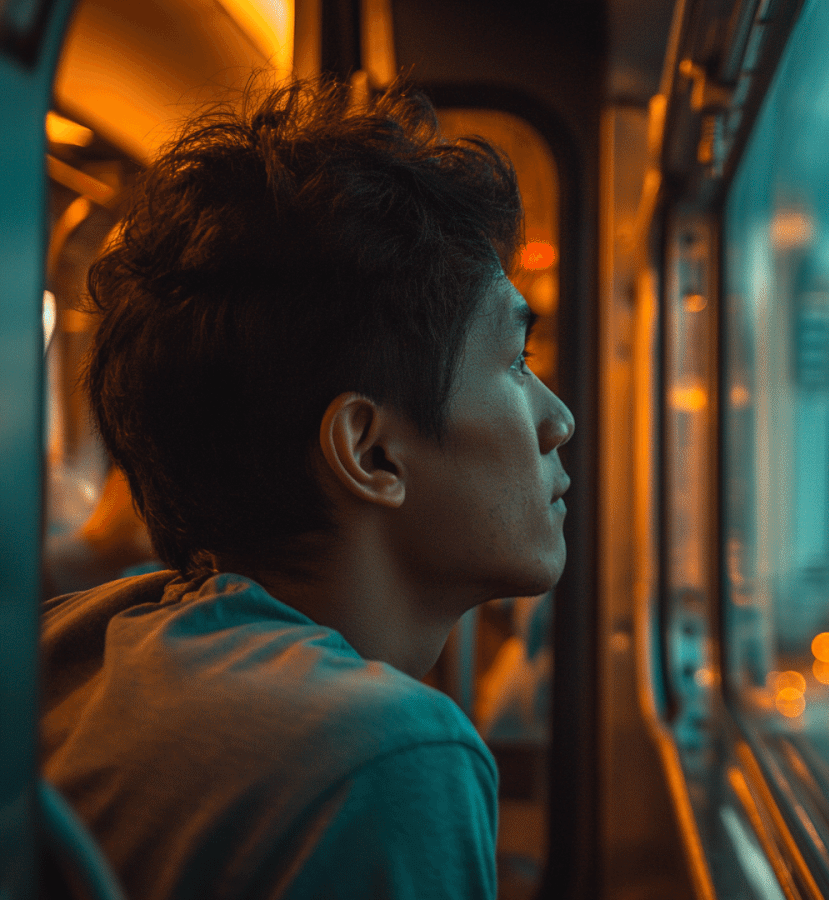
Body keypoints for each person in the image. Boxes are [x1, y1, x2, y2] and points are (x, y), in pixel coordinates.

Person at [38, 77, 573, 899]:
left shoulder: (69, 651)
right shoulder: (386, 755)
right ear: (371, 453)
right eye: (515, 363)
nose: (558, 420)